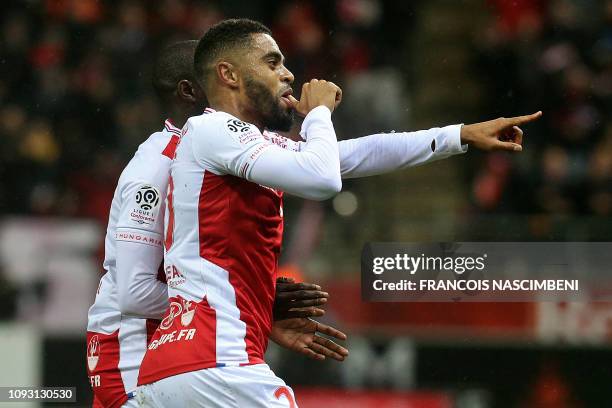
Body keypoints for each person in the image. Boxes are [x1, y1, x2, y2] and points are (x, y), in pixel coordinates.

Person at [135, 19, 541, 407]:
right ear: (229, 74)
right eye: (272, 62)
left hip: (173, 368)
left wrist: (459, 135)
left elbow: (358, 154)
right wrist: (318, 115)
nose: (289, 74)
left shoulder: (234, 144)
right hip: (220, 367)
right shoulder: (214, 130)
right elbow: (323, 178)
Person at [85, 40, 343, 408]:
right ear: (193, 90)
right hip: (129, 356)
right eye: (224, 78)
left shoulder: (221, 148)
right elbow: (133, 292)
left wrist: (449, 137)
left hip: (179, 355)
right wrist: (250, 302)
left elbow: (332, 161)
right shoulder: (153, 167)